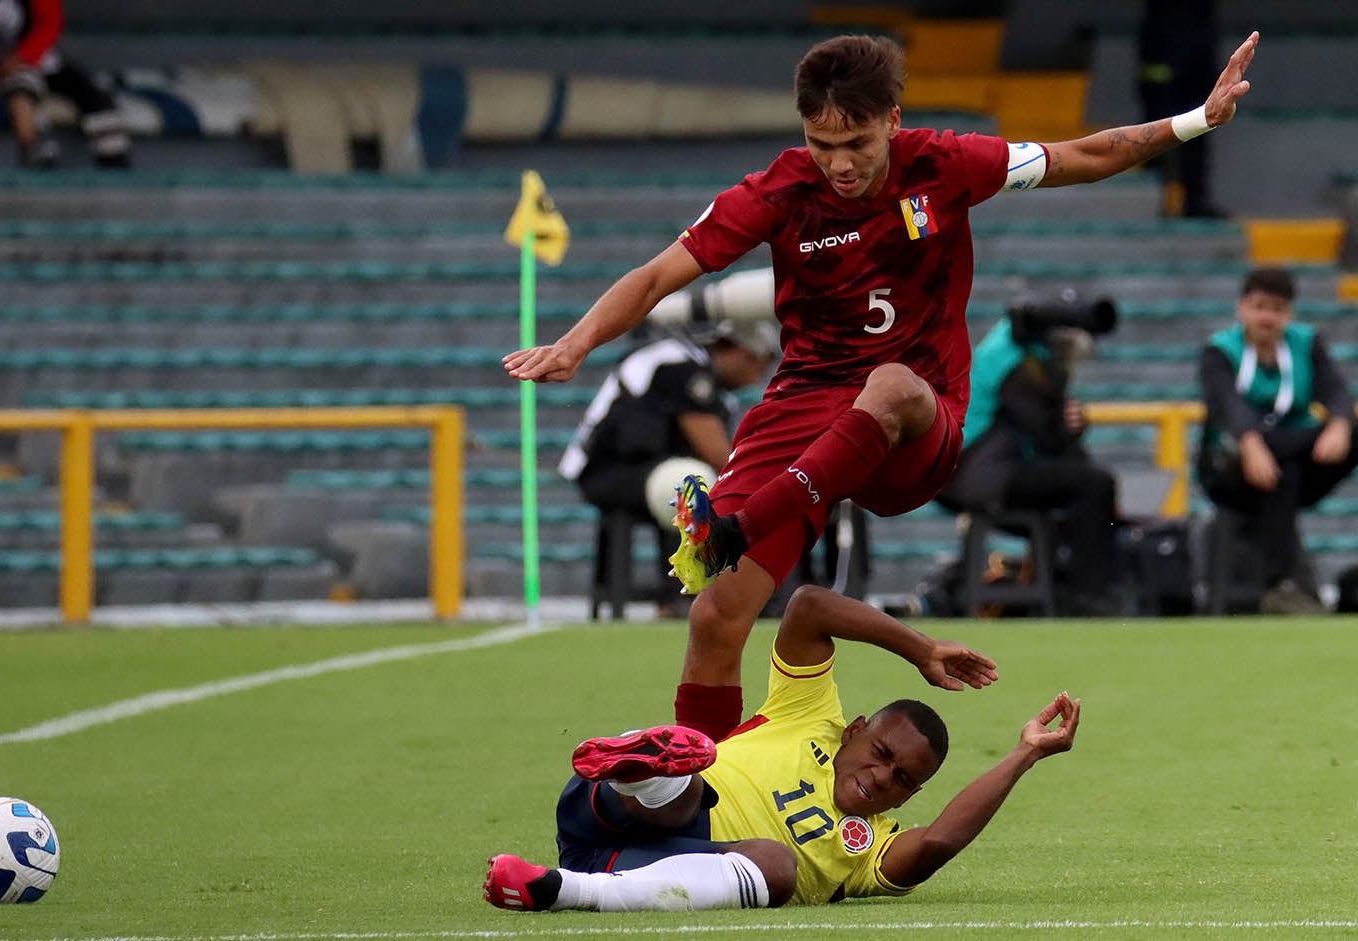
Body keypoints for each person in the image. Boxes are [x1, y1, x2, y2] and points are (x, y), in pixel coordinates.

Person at [505, 31, 1260, 741]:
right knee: (715, 614)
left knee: (891, 382)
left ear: (892, 121)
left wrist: (1198, 119)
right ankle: (702, 809)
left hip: (914, 424)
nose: (837, 162)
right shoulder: (774, 192)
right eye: (820, 143)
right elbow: (656, 275)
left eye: (856, 143)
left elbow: (1085, 154)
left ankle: (741, 522)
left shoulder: (945, 164)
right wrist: (574, 344)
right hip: (804, 403)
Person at [483, 585, 1079, 911]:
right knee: (693, 785)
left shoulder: (871, 850)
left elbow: (942, 840)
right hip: (609, 809)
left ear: (911, 797)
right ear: (855, 729)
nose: (882, 776)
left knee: (776, 864)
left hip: (637, 872)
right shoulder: (811, 712)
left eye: (902, 780)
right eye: (881, 752)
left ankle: (558, 889)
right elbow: (809, 607)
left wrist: (1025, 753)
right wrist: (918, 648)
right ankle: (642, 771)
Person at [559, 318, 779, 616]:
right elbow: (715, 452)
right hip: (609, 470)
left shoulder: (685, 362)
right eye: (759, 365)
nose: (757, 377)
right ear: (739, 352)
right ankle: (686, 596)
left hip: (633, 467)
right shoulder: (681, 367)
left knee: (688, 480)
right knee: (694, 484)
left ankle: (675, 595)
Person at [1196, 266, 1358, 614]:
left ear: (1288, 314)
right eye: (1259, 306)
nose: (1267, 317)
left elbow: (1336, 390)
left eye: (1276, 309)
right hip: (1229, 466)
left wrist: (1339, 423)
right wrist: (1250, 443)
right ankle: (1279, 584)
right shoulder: (1219, 352)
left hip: (1288, 457)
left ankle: (1280, 586)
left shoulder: (1305, 344)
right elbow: (1228, 405)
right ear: (1241, 308)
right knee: (1282, 464)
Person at [936, 298, 1122, 615]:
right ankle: (1089, 599)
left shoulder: (1001, 349)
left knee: (1084, 490)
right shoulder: (1016, 365)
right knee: (1095, 485)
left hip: (967, 474)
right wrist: (1069, 427)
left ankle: (1060, 593)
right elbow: (1046, 436)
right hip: (981, 475)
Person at [0, 0, 130, 168]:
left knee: (91, 93)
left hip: (38, 56)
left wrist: (23, 56)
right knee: (22, 84)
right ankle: (31, 145)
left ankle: (113, 158)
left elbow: (49, 24)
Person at [1138, 0, 1223, 218]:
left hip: (1199, 43)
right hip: (1163, 43)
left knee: (1201, 123)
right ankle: (1152, 206)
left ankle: (1194, 203)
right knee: (1154, 131)